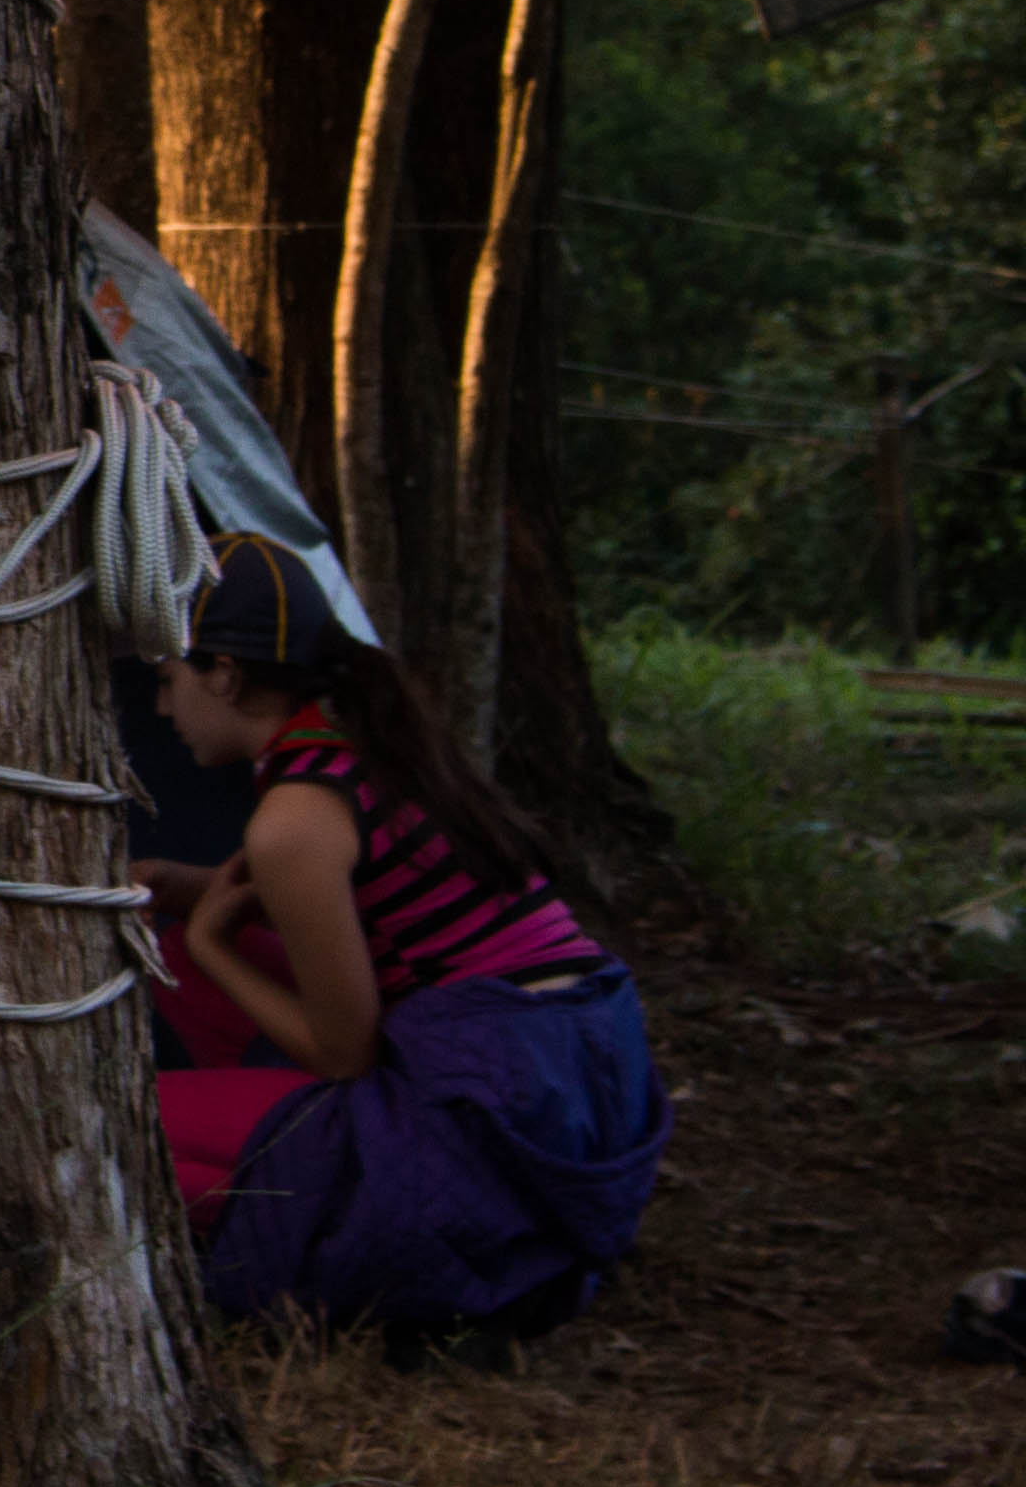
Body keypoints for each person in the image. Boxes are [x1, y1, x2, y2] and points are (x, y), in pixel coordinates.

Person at [138, 537, 671, 1348]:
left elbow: (344, 1052)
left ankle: (396, 1224)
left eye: (168, 679)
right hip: (579, 1087)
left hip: (493, 1122)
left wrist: (212, 940)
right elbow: (400, 918)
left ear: (226, 675)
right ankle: (298, 1144)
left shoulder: (294, 819)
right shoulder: (360, 741)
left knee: (124, 1132)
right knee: (176, 943)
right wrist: (188, 893)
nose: (160, 708)